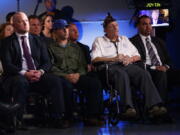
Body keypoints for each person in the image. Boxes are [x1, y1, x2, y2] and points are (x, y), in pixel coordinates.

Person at [0, 12, 71, 128]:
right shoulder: (6, 42)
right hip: (17, 76)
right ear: (14, 25)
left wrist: (40, 72)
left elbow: (47, 62)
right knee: (21, 82)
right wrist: (25, 73)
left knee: (55, 80)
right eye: (21, 21)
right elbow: (8, 65)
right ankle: (18, 120)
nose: (25, 23)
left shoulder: (39, 41)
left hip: (37, 75)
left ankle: (57, 117)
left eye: (26, 21)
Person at [91, 13, 167, 119]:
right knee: (121, 74)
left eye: (116, 26)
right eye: (112, 26)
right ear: (105, 30)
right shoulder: (99, 40)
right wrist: (114, 58)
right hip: (110, 67)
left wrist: (129, 59)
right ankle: (128, 108)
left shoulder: (124, 39)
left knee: (143, 73)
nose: (115, 28)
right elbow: (95, 59)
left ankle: (154, 106)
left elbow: (138, 56)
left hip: (127, 64)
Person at [49, 19, 104, 126]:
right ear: (55, 32)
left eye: (66, 28)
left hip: (76, 75)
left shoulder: (76, 47)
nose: (65, 31)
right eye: (62, 29)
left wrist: (78, 74)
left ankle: (91, 115)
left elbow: (82, 65)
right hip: (61, 77)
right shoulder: (50, 48)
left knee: (94, 83)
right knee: (66, 86)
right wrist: (65, 76)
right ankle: (68, 117)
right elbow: (51, 66)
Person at [130, 15, 171, 103]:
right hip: (147, 70)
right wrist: (155, 68)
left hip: (164, 69)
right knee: (160, 74)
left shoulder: (159, 41)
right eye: (145, 24)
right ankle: (160, 107)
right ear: (138, 26)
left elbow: (168, 59)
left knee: (165, 73)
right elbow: (136, 61)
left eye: (150, 24)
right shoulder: (132, 42)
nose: (148, 27)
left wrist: (166, 67)